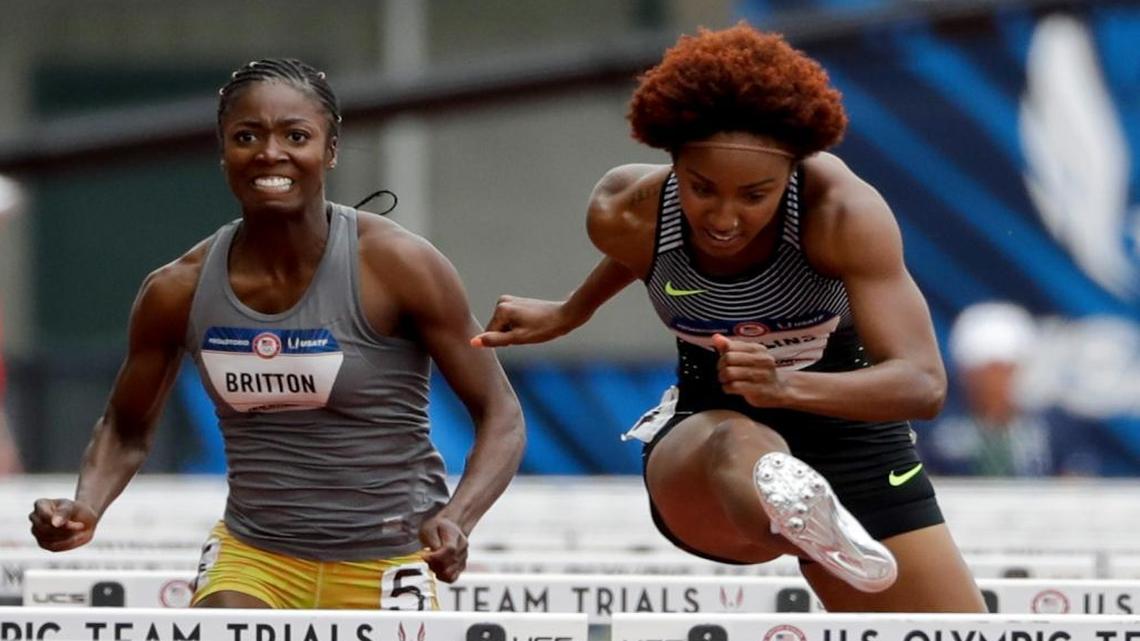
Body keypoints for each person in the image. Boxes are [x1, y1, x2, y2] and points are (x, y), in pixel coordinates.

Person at [474, 25, 984, 612]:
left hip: (850, 426)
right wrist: (570, 312)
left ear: (793, 172)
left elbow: (923, 383)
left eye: (755, 195)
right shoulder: (625, 213)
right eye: (701, 188)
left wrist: (783, 383)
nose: (723, 217)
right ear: (671, 163)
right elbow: (639, 256)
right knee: (743, 447)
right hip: (711, 426)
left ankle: (821, 521)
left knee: (959, 629)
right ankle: (795, 515)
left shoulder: (842, 216)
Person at [29, 58, 525, 610]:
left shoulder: (398, 266)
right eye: (247, 136)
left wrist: (457, 518)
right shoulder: (177, 290)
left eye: (296, 135)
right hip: (254, 556)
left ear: (330, 151)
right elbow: (126, 426)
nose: (271, 153)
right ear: (223, 153)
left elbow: (500, 413)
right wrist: (87, 506)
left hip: (393, 555)